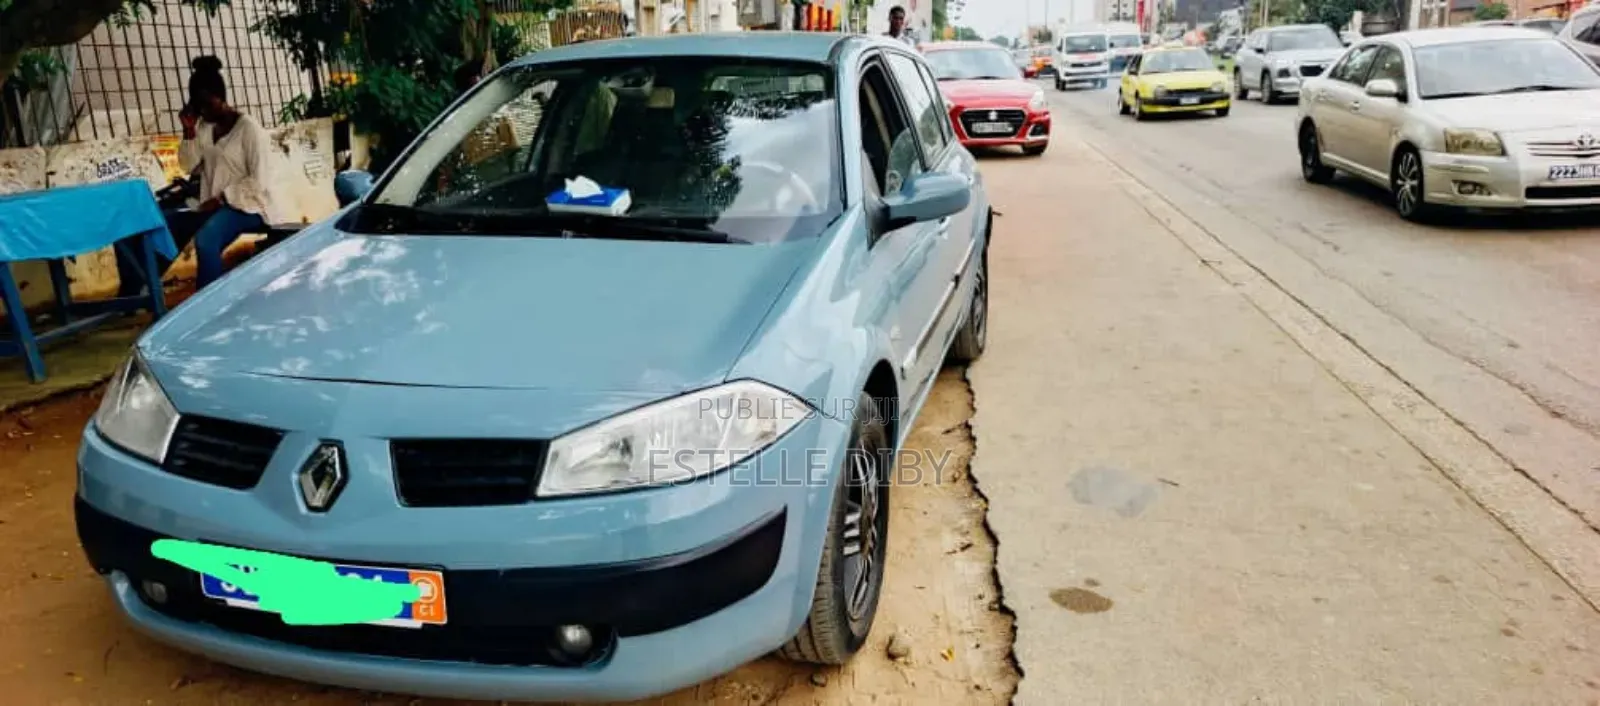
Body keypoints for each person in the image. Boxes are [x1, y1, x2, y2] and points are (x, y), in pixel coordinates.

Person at [176, 55, 292, 288]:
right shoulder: (204, 127)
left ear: (222, 98)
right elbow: (189, 165)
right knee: (169, 225)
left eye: (208, 104)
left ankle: (210, 305)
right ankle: (139, 290)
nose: (204, 112)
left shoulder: (248, 129)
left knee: (207, 239)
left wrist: (222, 198)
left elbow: (260, 181)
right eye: (199, 107)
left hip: (252, 206)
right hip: (214, 204)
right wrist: (189, 131)